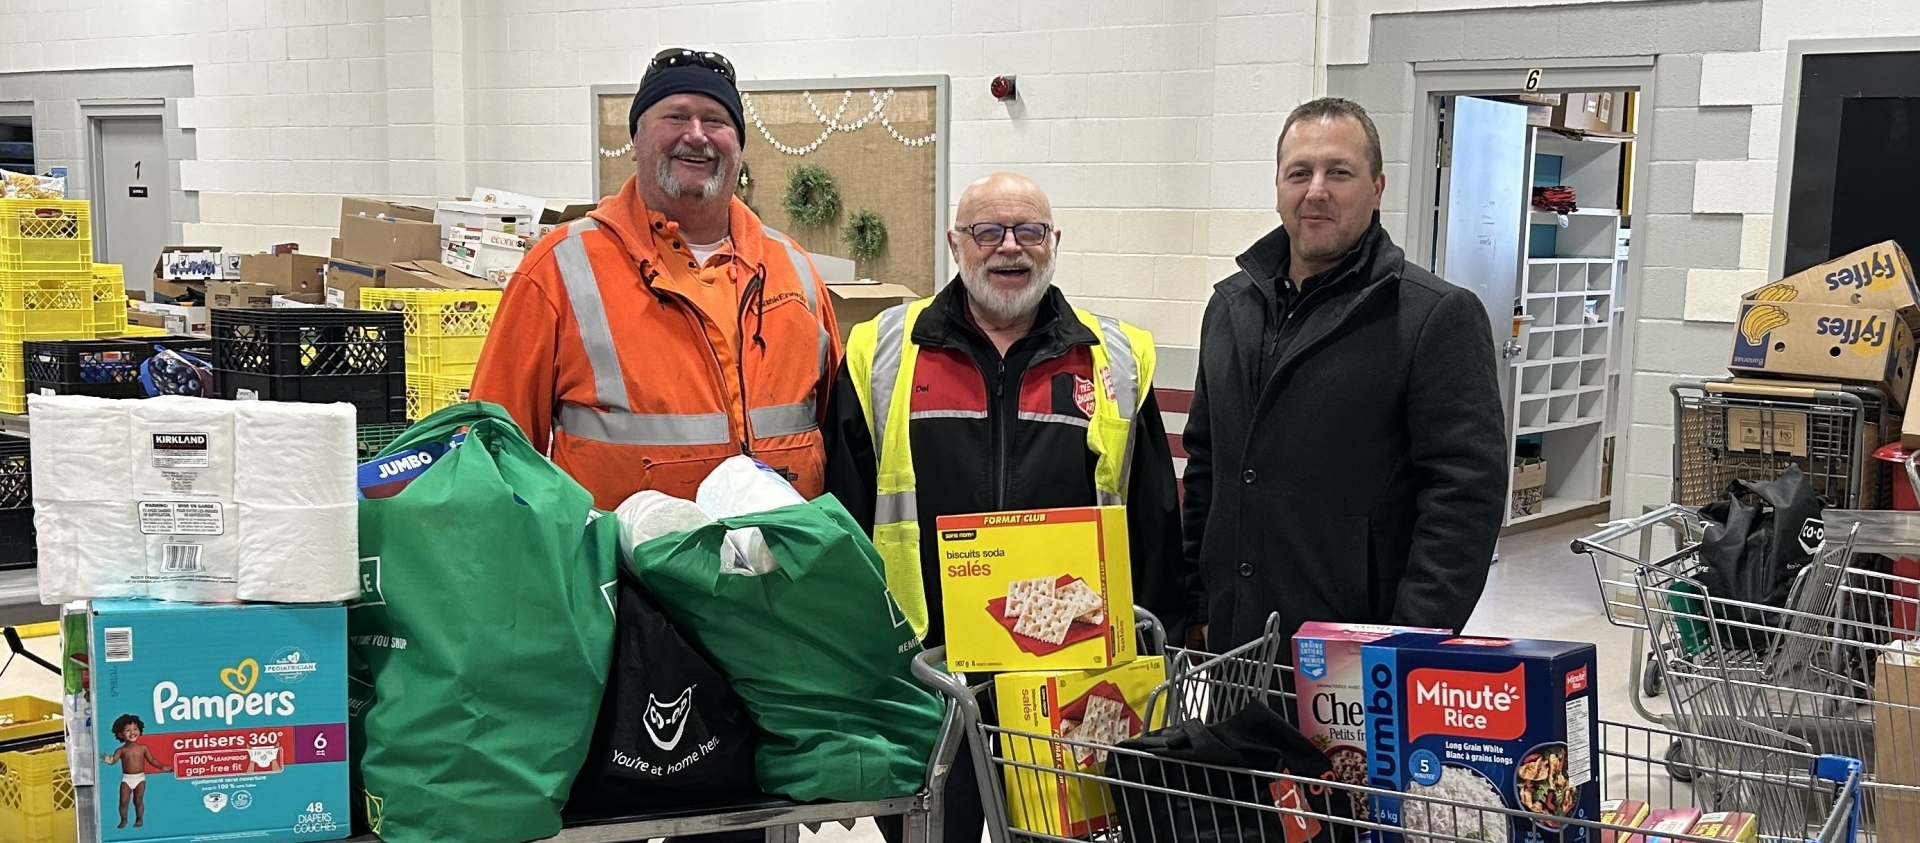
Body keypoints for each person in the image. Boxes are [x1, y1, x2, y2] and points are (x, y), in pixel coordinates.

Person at [825, 172, 1185, 843]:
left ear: (1054, 243)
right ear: (957, 244)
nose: (1010, 248)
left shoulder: (1113, 358)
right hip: (923, 671)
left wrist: (1156, 651)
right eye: (989, 231)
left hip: (1069, 675)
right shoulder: (881, 351)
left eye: (1029, 231)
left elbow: (1150, 518)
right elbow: (843, 511)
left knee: (1059, 835)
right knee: (932, 833)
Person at [1180, 98, 1507, 657]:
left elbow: (1465, 495)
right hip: (1237, 645)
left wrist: (1411, 641)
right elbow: (1207, 466)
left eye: (1339, 172)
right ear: (1279, 185)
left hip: (1360, 654)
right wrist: (1197, 606)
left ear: (1377, 188)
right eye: (1299, 173)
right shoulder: (1229, 309)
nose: (1316, 190)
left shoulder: (1433, 315)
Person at [471, 48, 840, 510]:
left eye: (716, 119)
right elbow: (496, 447)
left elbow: (837, 431)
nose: (697, 135)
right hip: (621, 571)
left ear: (739, 146)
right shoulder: (561, 267)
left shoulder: (794, 269)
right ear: (636, 139)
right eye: (676, 116)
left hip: (780, 565)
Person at [104, 713, 170, 829]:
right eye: (127, 730)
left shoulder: (143, 748)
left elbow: (152, 760)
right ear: (120, 734)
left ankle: (139, 819)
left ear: (140, 730)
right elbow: (114, 760)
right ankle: (123, 820)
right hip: (127, 779)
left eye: (135, 729)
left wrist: (162, 766)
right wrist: (110, 761)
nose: (132, 732)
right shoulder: (121, 750)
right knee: (123, 801)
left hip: (140, 778)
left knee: (138, 801)